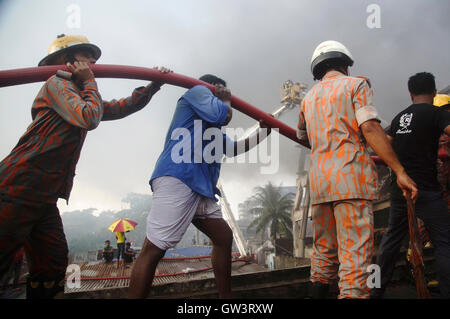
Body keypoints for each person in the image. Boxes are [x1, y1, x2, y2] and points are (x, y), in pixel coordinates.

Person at [0, 34, 170, 299]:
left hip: (44, 197)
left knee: (52, 265)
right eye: (86, 55)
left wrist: (153, 86)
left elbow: (117, 108)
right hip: (16, 186)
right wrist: (90, 81)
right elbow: (89, 117)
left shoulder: (80, 94)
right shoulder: (57, 84)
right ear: (67, 61)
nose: (93, 61)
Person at [128, 74, 271, 298]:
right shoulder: (196, 91)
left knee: (223, 237)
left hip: (200, 188)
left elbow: (234, 149)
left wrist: (263, 133)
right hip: (178, 177)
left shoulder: (211, 127)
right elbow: (221, 114)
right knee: (153, 249)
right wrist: (224, 100)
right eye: (219, 93)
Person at [297, 40, 418, 299]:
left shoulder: (307, 99)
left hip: (320, 184)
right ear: (345, 64)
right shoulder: (357, 85)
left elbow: (302, 136)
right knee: (354, 259)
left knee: (323, 254)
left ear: (318, 69)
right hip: (351, 179)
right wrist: (399, 170)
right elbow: (371, 128)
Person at [371, 72, 450, 299]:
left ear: (410, 93)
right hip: (427, 190)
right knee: (444, 242)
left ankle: (376, 291)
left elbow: (384, 144)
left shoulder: (400, 118)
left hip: (401, 191)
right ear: (434, 93)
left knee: (389, 243)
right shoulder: (436, 113)